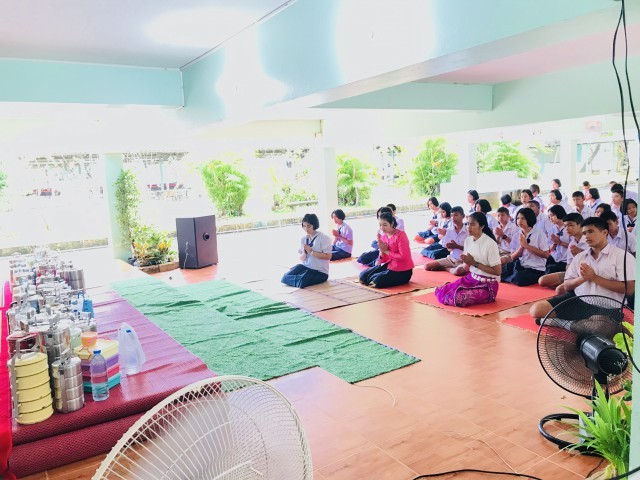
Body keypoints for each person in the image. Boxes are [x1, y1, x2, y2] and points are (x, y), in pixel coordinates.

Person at [529, 216, 636, 321]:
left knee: (598, 326)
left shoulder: (622, 256)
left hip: (607, 306)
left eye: (591, 231)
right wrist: (582, 278)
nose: (587, 236)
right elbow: (567, 285)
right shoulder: (580, 256)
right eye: (584, 233)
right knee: (536, 310)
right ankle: (576, 324)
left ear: (604, 232)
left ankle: (560, 323)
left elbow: (630, 289)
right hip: (579, 299)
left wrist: (594, 278)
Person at [434, 212, 502, 307]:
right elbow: (466, 268)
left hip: (487, 286)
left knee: (458, 298)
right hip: (471, 278)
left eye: (472, 224)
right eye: (468, 224)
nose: (469, 227)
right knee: (440, 290)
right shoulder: (468, 240)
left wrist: (474, 263)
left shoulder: (491, 244)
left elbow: (497, 272)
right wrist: (465, 261)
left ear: (482, 226)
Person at [359, 211, 414, 288]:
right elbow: (383, 259)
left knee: (376, 281)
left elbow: (403, 256)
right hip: (389, 266)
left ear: (392, 224)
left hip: (403, 270)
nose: (382, 227)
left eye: (385, 225)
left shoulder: (401, 235)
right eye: (380, 225)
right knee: (363, 276)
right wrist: (382, 252)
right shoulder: (384, 237)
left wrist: (386, 251)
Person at [501, 207, 550, 286]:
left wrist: (527, 246)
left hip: (535, 268)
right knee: (502, 271)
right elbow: (512, 256)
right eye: (518, 218)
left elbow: (546, 255)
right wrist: (521, 247)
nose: (519, 221)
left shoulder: (539, 234)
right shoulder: (517, 235)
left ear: (530, 219)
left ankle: (514, 277)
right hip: (521, 265)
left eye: (523, 218)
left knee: (519, 278)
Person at [282, 213, 332, 288]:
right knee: (284, 278)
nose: (306, 229)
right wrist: (305, 253)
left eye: (308, 226)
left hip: (320, 272)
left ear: (314, 225)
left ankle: (299, 278)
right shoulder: (303, 239)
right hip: (306, 268)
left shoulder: (323, 238)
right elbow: (301, 258)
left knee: (302, 281)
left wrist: (311, 252)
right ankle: (299, 278)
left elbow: (328, 256)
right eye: (304, 226)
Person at [539, 212, 586, 290]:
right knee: (542, 280)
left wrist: (580, 254)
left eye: (570, 225)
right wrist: (568, 278)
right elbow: (569, 265)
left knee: (559, 290)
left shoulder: (588, 240)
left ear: (580, 225)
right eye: (565, 226)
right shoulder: (572, 243)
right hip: (572, 273)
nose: (567, 229)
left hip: (585, 274)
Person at [425, 206, 468, 272]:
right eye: (452, 216)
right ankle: (449, 267)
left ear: (463, 216)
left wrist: (457, 246)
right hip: (451, 258)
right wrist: (450, 247)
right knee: (427, 266)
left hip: (464, 260)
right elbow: (448, 249)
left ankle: (445, 268)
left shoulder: (468, 231)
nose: (453, 218)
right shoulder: (449, 230)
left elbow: (471, 250)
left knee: (458, 271)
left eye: (456, 215)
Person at [544, 205, 569, 274]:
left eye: (552, 215)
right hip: (555, 258)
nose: (550, 218)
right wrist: (553, 245)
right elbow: (549, 247)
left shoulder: (568, 227)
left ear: (559, 213)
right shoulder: (551, 230)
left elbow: (574, 245)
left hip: (566, 259)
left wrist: (560, 243)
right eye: (549, 217)